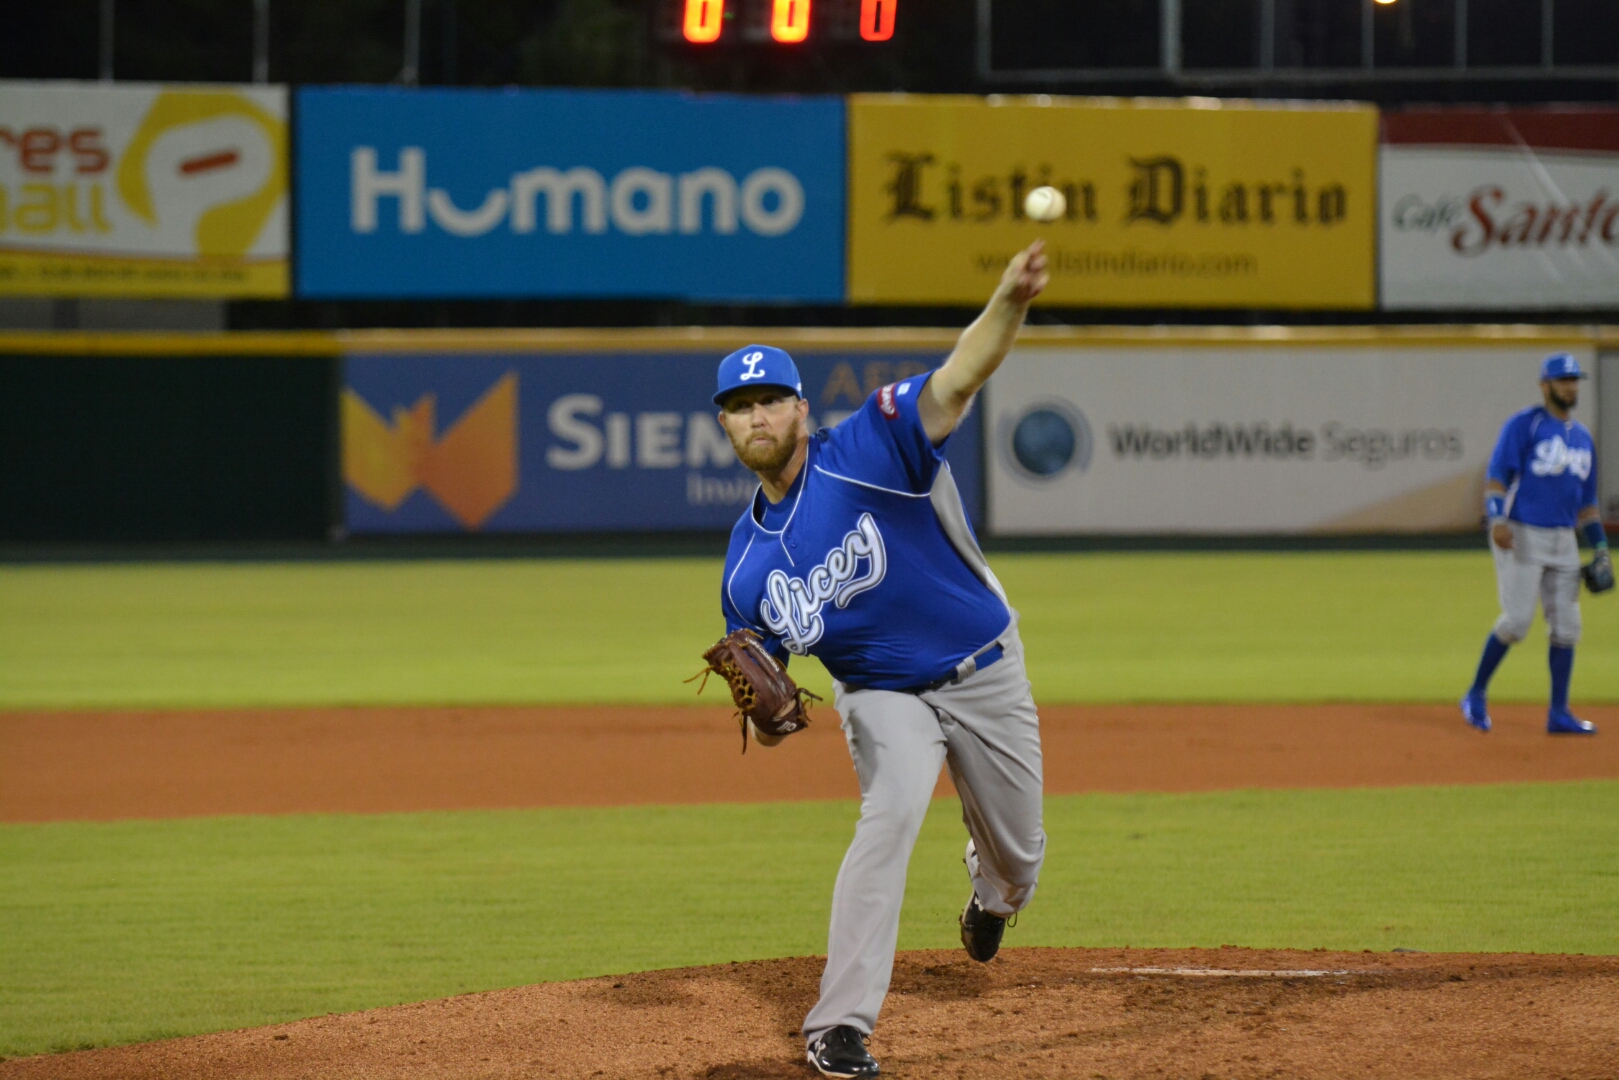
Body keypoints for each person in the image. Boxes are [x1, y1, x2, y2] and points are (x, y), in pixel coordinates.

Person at [711, 242, 1050, 1079]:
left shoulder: (869, 448)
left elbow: (958, 378)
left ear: (799, 406)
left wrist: (1007, 302)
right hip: (878, 695)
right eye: (738, 405)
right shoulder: (744, 569)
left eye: (770, 400)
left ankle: (991, 893)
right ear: (723, 423)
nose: (756, 416)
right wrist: (775, 713)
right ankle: (839, 1027)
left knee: (1020, 861)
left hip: (983, 665)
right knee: (889, 816)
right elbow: (776, 692)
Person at [1461, 352, 1607, 735]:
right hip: (1521, 533)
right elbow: (1496, 478)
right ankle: (1475, 693)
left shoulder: (1583, 439)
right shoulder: (1525, 425)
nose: (1570, 386)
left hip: (1564, 539)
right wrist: (1496, 520)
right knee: (1516, 623)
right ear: (1545, 385)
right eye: (1563, 380)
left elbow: (1588, 505)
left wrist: (1602, 547)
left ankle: (1558, 713)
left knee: (1567, 627)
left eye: (1575, 379)